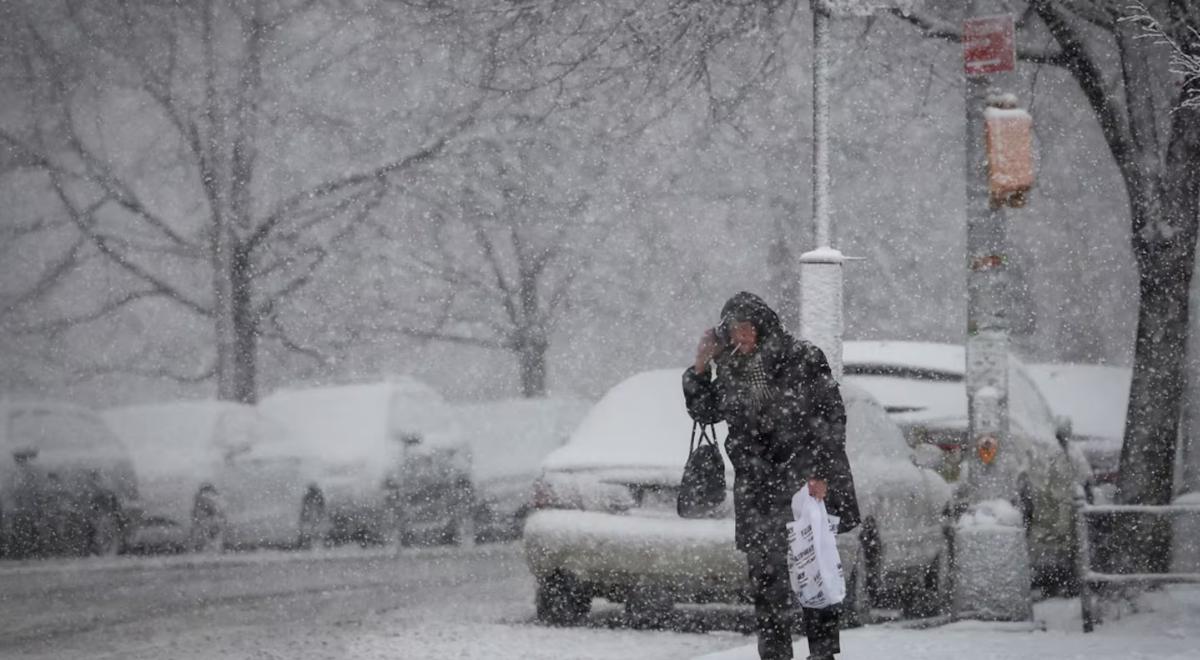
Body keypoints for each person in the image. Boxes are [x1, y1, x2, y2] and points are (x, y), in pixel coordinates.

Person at [682, 292, 860, 660]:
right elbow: (706, 411)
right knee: (767, 581)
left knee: (813, 571)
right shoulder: (730, 365)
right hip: (755, 486)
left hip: (802, 483)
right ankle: (775, 654)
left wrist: (822, 474)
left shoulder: (803, 358)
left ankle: (822, 654)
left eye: (746, 329)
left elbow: (831, 418)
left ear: (763, 327)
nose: (740, 338)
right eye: (732, 331)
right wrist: (701, 365)